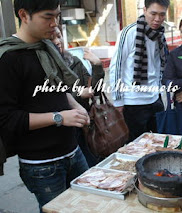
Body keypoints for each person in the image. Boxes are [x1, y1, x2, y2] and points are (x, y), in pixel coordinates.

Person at [0, 0, 90, 211]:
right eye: (48, 17)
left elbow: (58, 88)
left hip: (73, 151)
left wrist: (75, 105)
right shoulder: (9, 59)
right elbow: (7, 119)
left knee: (87, 206)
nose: (55, 24)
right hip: (42, 165)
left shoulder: (47, 47)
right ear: (24, 15)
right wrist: (59, 117)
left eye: (57, 16)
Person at [109, 0, 169, 142]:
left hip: (155, 99)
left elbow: (159, 65)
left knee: (157, 143)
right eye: (153, 13)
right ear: (144, 10)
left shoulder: (159, 34)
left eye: (162, 15)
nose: (157, 19)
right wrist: (118, 100)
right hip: (133, 102)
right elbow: (117, 67)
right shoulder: (129, 32)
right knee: (136, 147)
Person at [51, 27, 105, 167]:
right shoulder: (45, 67)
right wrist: (77, 94)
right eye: (52, 38)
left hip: (85, 124)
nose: (57, 41)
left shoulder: (73, 61)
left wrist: (97, 65)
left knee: (92, 163)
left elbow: (95, 90)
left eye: (59, 36)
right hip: (61, 129)